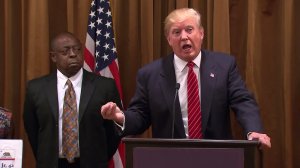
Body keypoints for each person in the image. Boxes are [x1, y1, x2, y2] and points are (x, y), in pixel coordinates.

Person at [101, 8, 271, 148]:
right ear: (169, 39)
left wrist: (253, 130)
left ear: (201, 33)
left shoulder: (224, 66)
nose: (184, 37)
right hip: (170, 158)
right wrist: (121, 117)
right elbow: (140, 116)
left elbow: (243, 102)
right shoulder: (150, 74)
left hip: (217, 156)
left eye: (189, 30)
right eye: (176, 32)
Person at [23, 32, 122, 168]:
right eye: (66, 51)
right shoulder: (36, 88)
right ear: (53, 56)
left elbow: (114, 130)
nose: (73, 54)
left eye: (77, 49)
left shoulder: (105, 86)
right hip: (52, 163)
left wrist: (100, 157)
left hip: (92, 163)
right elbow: (32, 129)